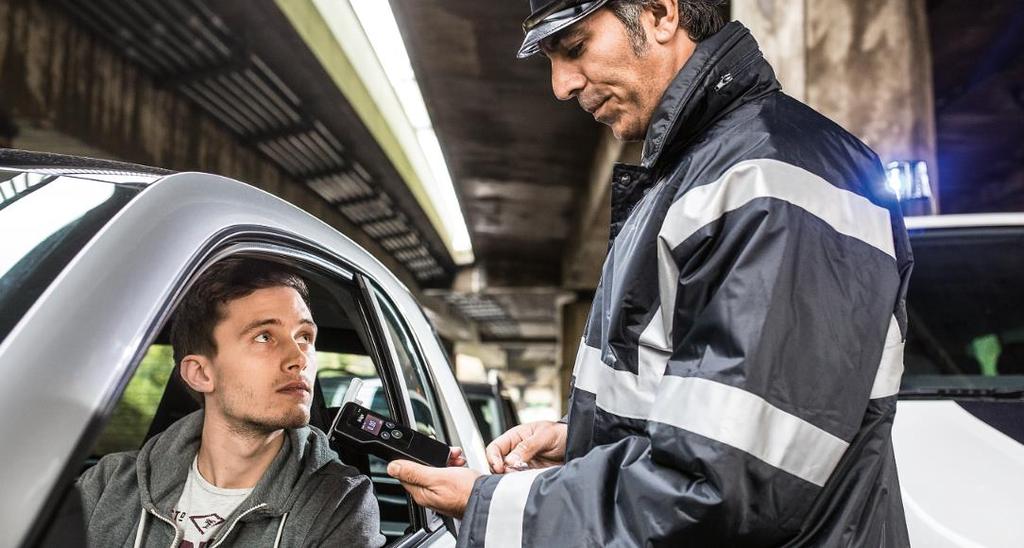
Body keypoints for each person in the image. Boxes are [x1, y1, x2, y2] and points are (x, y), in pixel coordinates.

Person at [387, 0, 914, 546]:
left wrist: (488, 504)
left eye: (573, 48)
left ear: (662, 13)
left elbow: (722, 484)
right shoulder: (699, 175)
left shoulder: (768, 177)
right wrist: (583, 438)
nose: (560, 86)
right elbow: (711, 420)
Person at [78, 258, 385, 547]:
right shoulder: (108, 484)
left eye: (304, 336)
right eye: (264, 336)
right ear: (200, 373)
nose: (299, 358)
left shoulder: (338, 502)